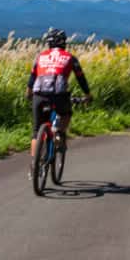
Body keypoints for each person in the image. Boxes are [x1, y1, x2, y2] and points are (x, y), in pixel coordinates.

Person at [26, 28, 91, 168]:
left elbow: (32, 79)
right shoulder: (70, 57)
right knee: (66, 114)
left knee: (37, 131)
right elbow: (81, 78)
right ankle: (59, 133)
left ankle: (34, 163)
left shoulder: (40, 57)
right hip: (59, 95)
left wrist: (29, 95)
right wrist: (87, 95)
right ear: (63, 43)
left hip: (39, 95)